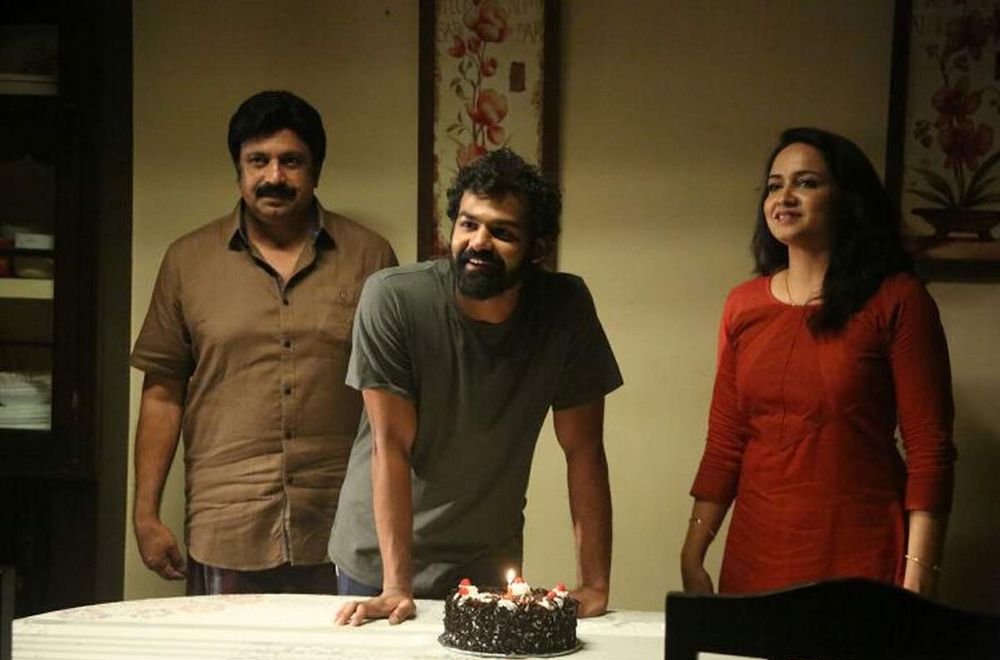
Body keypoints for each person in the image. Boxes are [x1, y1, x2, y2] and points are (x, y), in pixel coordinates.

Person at [329, 148, 622, 625]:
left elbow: (584, 451)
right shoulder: (394, 298)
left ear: (537, 250)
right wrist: (396, 586)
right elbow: (390, 445)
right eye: (468, 224)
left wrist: (595, 583)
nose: (479, 242)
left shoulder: (565, 308)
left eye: (502, 232)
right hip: (379, 561)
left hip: (485, 561)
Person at [131, 90, 397, 595]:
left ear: (316, 171)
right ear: (238, 169)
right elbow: (163, 392)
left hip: (343, 524)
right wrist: (145, 514)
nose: (274, 176)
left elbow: (395, 397)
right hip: (226, 525)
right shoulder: (187, 261)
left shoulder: (370, 258)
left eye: (291, 161)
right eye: (259, 160)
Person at [681, 127, 956, 597]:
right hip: (754, 558)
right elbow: (726, 442)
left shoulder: (898, 300)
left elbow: (929, 449)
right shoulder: (742, 305)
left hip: (862, 556)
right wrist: (693, 553)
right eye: (774, 186)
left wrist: (919, 576)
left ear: (847, 198)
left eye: (806, 182)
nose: (784, 197)